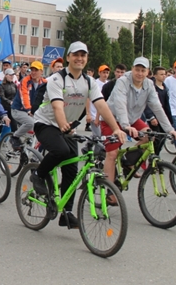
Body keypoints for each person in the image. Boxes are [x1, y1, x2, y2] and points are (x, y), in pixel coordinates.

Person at [30, 41, 126, 227]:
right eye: (76, 55)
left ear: (86, 58)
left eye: (83, 55)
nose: (79, 58)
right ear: (68, 58)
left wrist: (116, 128)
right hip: (47, 123)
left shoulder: (89, 81)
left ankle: (66, 212)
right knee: (61, 151)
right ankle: (38, 174)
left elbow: (101, 105)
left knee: (72, 170)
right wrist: (64, 126)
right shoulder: (57, 79)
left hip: (68, 126)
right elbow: (57, 106)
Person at [102, 57, 176, 197]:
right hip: (112, 119)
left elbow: (157, 108)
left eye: (143, 70)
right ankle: (110, 191)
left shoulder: (149, 85)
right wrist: (125, 126)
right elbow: (120, 104)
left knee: (150, 136)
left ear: (148, 72)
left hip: (132, 119)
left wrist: (170, 129)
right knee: (112, 154)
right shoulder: (122, 82)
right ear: (132, 69)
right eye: (137, 70)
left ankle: (127, 160)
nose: (139, 73)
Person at [10, 61, 46, 148]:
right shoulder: (25, 80)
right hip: (18, 109)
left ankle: (28, 150)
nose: (33, 72)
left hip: (33, 111)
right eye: (32, 70)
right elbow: (24, 96)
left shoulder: (45, 83)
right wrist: (29, 109)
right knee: (30, 123)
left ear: (41, 71)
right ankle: (15, 137)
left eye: (36, 70)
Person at [143, 66, 173, 155]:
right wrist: (151, 117)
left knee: (162, 139)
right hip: (153, 117)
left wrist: (169, 120)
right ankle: (151, 158)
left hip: (162, 116)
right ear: (155, 75)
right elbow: (146, 103)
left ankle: (156, 157)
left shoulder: (165, 88)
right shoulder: (151, 87)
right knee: (156, 139)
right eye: (161, 74)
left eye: (165, 74)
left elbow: (167, 106)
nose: (164, 76)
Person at [86, 64, 110, 137]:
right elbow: (88, 98)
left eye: (107, 73)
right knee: (98, 136)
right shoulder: (94, 83)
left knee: (99, 135)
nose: (105, 75)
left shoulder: (108, 84)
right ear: (99, 73)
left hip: (103, 113)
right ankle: (95, 148)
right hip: (94, 112)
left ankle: (87, 146)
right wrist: (88, 113)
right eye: (103, 72)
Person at [0, 68, 18, 132]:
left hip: (12, 108)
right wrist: (9, 102)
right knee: (1, 126)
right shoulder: (2, 85)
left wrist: (15, 102)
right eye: (10, 75)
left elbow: (16, 95)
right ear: (6, 75)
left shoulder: (14, 85)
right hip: (4, 108)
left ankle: (14, 139)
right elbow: (2, 96)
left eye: (13, 75)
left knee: (14, 126)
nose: (12, 76)